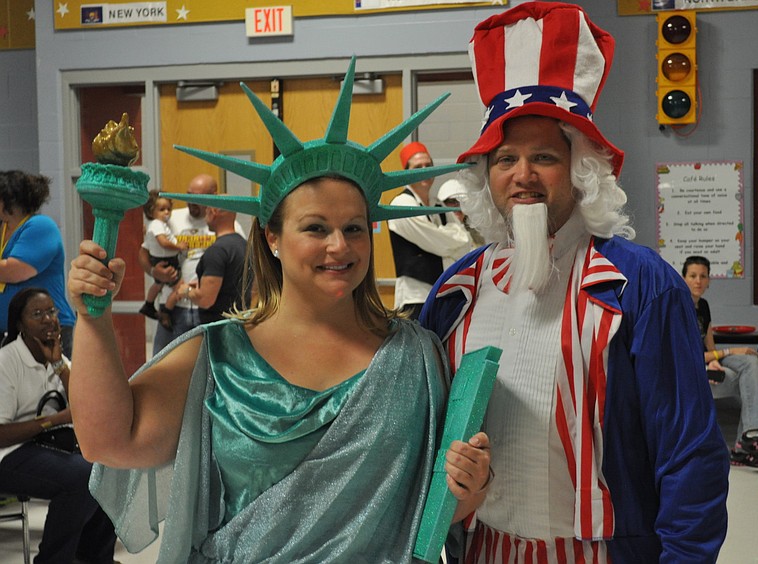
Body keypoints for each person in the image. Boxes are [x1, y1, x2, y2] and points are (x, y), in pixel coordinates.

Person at [66, 59, 491, 562]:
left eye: (354, 228)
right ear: (271, 237)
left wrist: (472, 489)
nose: (340, 246)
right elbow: (110, 442)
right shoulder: (217, 356)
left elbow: (433, 504)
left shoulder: (416, 356)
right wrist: (92, 319)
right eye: (315, 228)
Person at [420, 3, 729, 561]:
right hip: (484, 550)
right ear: (485, 176)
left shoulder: (640, 284)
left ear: (581, 168)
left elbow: (689, 453)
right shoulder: (454, 292)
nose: (522, 175)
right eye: (505, 158)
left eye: (544, 156)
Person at [0, 288, 117, 564]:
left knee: (110, 466)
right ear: (20, 325)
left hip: (51, 447)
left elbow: (85, 405)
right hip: (10, 454)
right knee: (82, 476)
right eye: (37, 314)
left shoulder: (56, 358)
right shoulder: (7, 361)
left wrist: (57, 364)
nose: (48, 319)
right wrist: (55, 420)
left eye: (51, 311)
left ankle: (94, 558)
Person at [682, 255, 758, 468]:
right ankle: (745, 444)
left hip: (707, 363)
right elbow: (686, 356)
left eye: (703, 276)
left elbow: (709, 345)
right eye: (693, 276)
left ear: (709, 281)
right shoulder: (678, 308)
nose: (698, 281)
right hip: (687, 370)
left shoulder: (704, 306)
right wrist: (723, 354)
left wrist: (714, 360)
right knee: (750, 377)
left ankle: (749, 437)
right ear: (683, 279)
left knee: (751, 363)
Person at [139, 173, 245, 354]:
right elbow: (143, 252)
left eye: (197, 198)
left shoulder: (230, 226)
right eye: (188, 195)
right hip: (174, 307)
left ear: (212, 195)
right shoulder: (169, 219)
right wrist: (154, 272)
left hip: (210, 310)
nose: (191, 202)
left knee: (202, 369)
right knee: (162, 366)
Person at [388, 142, 476, 318]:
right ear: (406, 172)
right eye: (418, 167)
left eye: (428, 166)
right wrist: (451, 241)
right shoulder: (401, 206)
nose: (425, 170)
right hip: (415, 298)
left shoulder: (439, 205)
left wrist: (449, 241)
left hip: (443, 294)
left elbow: (466, 243)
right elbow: (440, 243)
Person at [0, 171, 76, 359]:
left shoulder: (40, 226)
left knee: (49, 387)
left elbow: (15, 270)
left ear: (7, 200)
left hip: (44, 329)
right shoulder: (4, 229)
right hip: (14, 332)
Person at [175, 204, 247, 324]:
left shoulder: (217, 250)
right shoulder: (245, 245)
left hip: (219, 329)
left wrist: (185, 290)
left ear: (213, 212)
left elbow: (205, 300)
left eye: (207, 209)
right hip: (241, 323)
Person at [138, 191, 188, 326]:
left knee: (159, 284)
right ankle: (166, 311)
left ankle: (148, 305)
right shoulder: (156, 225)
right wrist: (179, 247)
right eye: (161, 209)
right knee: (179, 285)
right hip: (165, 260)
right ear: (151, 211)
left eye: (168, 209)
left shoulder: (160, 224)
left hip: (164, 259)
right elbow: (163, 242)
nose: (166, 212)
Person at [438, 178, 485, 247]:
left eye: (462, 201)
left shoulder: (478, 234)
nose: (457, 206)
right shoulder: (438, 231)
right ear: (442, 204)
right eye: (451, 201)